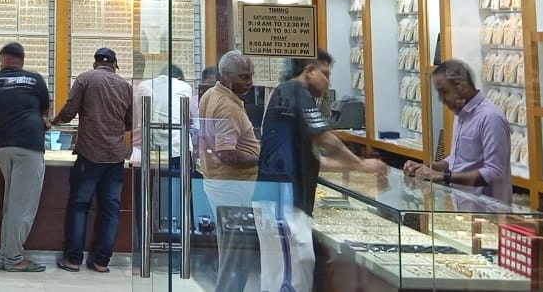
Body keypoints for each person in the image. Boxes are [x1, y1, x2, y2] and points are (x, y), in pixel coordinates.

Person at [255, 51, 386, 292]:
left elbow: (318, 161)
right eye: (325, 74)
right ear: (309, 71)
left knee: (288, 271)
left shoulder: (287, 94)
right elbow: (324, 138)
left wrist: (359, 167)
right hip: (283, 200)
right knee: (291, 276)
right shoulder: (296, 90)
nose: (328, 82)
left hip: (283, 200)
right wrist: (361, 164)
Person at [52, 47, 133, 274]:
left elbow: (69, 111)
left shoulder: (85, 79)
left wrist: (53, 122)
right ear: (115, 65)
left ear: (95, 63)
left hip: (89, 154)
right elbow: (130, 121)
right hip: (115, 157)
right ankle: (101, 261)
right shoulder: (125, 86)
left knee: (80, 205)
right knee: (111, 209)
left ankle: (73, 260)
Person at [404, 59, 513, 202]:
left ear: (461, 87)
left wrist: (443, 176)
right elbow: (458, 160)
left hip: (487, 210)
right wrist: (428, 168)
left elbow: (494, 173)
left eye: (444, 92)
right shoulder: (461, 115)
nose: (441, 99)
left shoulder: (490, 117)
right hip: (464, 207)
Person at [0, 41, 51, 272]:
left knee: (11, 205)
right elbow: (45, 110)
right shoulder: (35, 79)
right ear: (22, 61)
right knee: (22, 208)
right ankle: (14, 258)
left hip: (3, 146)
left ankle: (5, 255)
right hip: (29, 145)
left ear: (3, 60)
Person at [199, 51, 261, 292]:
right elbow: (226, 153)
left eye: (251, 76)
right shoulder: (227, 106)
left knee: (230, 251)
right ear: (225, 75)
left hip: (222, 183)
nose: (249, 82)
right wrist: (262, 160)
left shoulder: (211, 94)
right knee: (236, 256)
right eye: (243, 77)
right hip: (233, 186)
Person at [136, 63, 198, 174]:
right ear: (179, 77)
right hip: (178, 147)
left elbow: (139, 117)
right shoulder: (185, 86)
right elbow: (185, 117)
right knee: (178, 181)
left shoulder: (144, 85)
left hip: (151, 147)